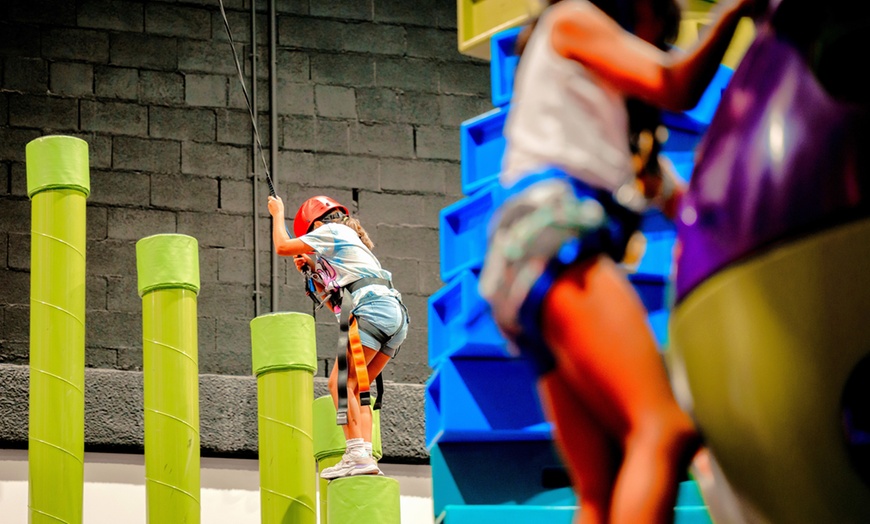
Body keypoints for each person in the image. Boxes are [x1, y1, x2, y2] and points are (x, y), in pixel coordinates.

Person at [478, 0, 766, 522]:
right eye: (656, 24)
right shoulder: (573, 16)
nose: (652, 43)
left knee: (600, 487)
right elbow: (677, 84)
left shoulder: (608, 124)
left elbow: (687, 207)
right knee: (664, 428)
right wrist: (734, 11)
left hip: (519, 260)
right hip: (552, 227)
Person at [268, 194, 409, 479]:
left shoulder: (332, 231)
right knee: (360, 387)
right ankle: (364, 456)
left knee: (338, 383)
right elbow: (335, 302)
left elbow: (282, 246)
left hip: (372, 310)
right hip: (394, 315)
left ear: (316, 225)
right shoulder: (346, 247)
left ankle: (355, 454)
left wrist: (277, 213)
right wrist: (314, 271)